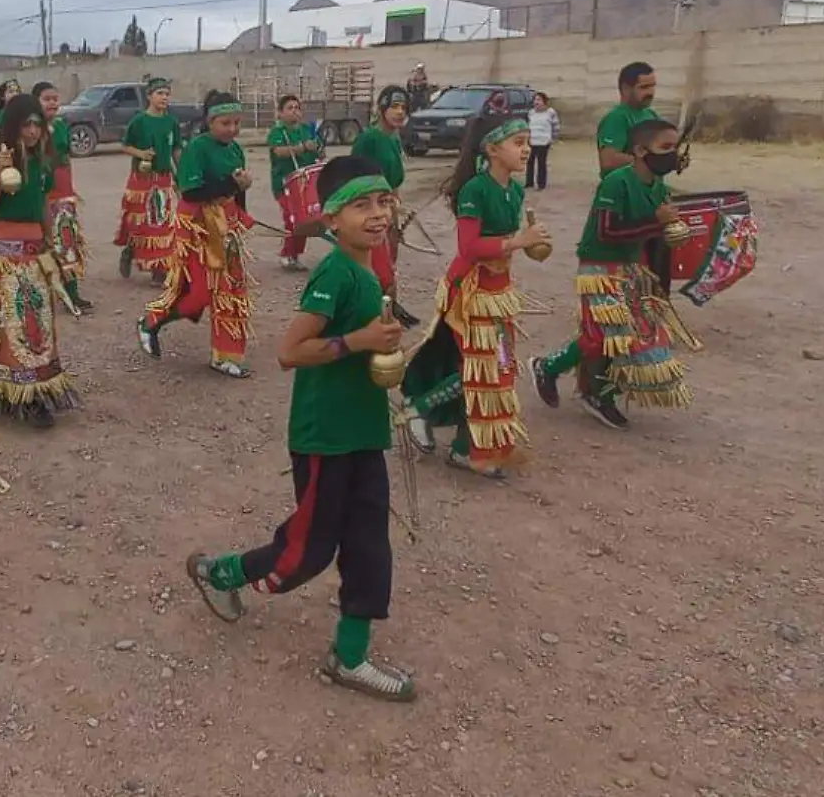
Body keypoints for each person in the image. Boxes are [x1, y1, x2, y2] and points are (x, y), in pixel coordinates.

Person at [184, 154, 415, 702]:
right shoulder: (334, 272)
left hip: (364, 432)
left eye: (383, 201)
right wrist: (357, 344)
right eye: (362, 205)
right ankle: (220, 574)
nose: (378, 215)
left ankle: (350, 657)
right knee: (304, 553)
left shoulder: (373, 268)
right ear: (331, 218)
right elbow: (290, 352)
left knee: (369, 548)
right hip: (324, 437)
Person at [399, 112, 550, 475]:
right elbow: (468, 247)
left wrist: (532, 245)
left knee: (496, 368)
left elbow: (506, 246)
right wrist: (517, 241)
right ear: (493, 148)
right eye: (519, 142)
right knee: (481, 371)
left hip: (498, 291)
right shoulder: (475, 190)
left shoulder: (514, 190)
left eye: (528, 142)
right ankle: (420, 407)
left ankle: (468, 447)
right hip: (469, 291)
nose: (527, 149)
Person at [529, 119, 692, 428]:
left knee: (639, 337)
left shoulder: (659, 187)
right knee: (602, 335)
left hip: (631, 267)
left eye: (675, 147)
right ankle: (549, 368)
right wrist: (656, 222)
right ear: (641, 150)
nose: (673, 154)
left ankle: (598, 391)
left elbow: (653, 232)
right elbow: (607, 232)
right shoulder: (616, 182)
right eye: (666, 147)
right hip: (599, 265)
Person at [0, 94, 80, 428]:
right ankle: (19, 393)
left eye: (37, 124)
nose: (33, 131)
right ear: (13, 125)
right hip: (4, 252)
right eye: (27, 124)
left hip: (35, 249)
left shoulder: (41, 160)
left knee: (38, 321)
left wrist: (53, 248)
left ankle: (19, 383)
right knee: (11, 322)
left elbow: (44, 206)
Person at [137, 89, 256, 378]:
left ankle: (226, 355)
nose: (232, 129)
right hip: (198, 227)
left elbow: (236, 190)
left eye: (236, 123)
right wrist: (231, 185)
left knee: (231, 291)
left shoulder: (235, 149)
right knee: (199, 293)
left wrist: (240, 216)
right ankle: (151, 320)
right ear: (210, 121)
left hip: (226, 226)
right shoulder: (198, 148)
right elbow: (192, 191)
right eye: (225, 123)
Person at [115, 78, 183, 283]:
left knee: (162, 223)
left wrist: (181, 176)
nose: (164, 97)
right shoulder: (139, 121)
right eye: (160, 93)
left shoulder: (172, 122)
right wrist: (141, 153)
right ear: (149, 96)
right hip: (141, 179)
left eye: (167, 94)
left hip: (163, 178)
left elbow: (176, 150)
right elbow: (125, 146)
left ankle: (159, 269)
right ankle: (130, 250)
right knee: (140, 222)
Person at [34, 81, 92, 312]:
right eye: (47, 98)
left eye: (55, 99)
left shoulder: (60, 126)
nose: (52, 103)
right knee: (41, 243)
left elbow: (66, 158)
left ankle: (72, 293)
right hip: (41, 192)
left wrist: (69, 188)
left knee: (67, 240)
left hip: (63, 191)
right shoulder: (30, 129)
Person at [351, 86, 410, 310]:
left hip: (388, 211)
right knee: (378, 270)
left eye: (404, 107)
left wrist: (396, 206)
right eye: (394, 106)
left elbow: (395, 180)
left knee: (389, 261)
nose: (399, 112)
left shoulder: (394, 139)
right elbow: (353, 177)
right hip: (370, 213)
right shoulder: (368, 139)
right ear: (382, 108)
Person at [265, 94, 325, 272]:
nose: (295, 112)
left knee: (306, 219)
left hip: (305, 183)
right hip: (285, 183)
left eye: (297, 108)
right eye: (290, 108)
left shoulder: (307, 129)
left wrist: (318, 150)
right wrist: (303, 148)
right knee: (292, 218)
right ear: (280, 113)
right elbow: (279, 152)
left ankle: (295, 254)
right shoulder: (277, 132)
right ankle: (287, 254)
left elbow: (319, 150)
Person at [525, 92, 560, 191]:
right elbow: (528, 126)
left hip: (544, 141)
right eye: (535, 100)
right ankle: (529, 183)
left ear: (544, 102)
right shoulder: (531, 112)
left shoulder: (550, 112)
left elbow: (556, 127)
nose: (536, 102)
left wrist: (552, 139)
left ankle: (541, 184)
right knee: (530, 162)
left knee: (541, 162)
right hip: (532, 141)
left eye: (539, 100)